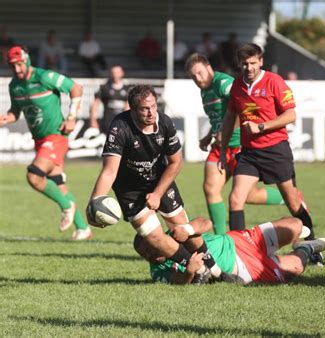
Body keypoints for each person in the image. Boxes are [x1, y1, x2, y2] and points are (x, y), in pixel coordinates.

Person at [86, 85, 223, 283]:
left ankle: (217, 271)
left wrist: (158, 193)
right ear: (132, 109)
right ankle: (199, 269)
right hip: (129, 190)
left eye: (153, 106)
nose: (151, 112)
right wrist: (95, 203)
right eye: (144, 108)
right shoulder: (120, 127)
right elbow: (109, 171)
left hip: (160, 181)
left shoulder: (165, 123)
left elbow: (176, 162)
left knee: (183, 229)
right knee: (152, 237)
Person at [219, 43, 321, 264]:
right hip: (249, 153)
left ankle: (313, 247)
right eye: (245, 63)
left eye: (253, 62)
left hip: (276, 150)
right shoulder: (237, 86)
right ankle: (239, 255)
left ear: (261, 61)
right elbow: (229, 120)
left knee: (293, 203)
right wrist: (222, 150)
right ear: (240, 64)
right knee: (236, 198)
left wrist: (261, 127)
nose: (249, 67)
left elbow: (290, 115)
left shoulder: (274, 81)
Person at [185, 53, 287, 234]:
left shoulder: (223, 83)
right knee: (210, 188)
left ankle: (287, 197)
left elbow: (243, 107)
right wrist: (210, 135)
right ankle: (221, 238)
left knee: (248, 195)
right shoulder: (204, 90)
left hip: (241, 145)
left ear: (209, 68)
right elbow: (219, 118)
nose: (197, 78)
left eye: (200, 73)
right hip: (221, 147)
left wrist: (224, 133)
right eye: (193, 76)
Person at [0, 45, 92, 240]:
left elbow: (76, 88)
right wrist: (5, 118)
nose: (16, 70)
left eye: (19, 65)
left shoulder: (44, 77)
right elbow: (15, 113)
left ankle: (67, 206)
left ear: (26, 61)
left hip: (56, 136)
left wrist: (72, 116)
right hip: (40, 140)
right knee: (58, 184)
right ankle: (83, 228)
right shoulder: (14, 86)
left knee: (34, 176)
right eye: (12, 66)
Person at [134, 216, 325, 285]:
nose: (150, 254)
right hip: (243, 269)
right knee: (296, 267)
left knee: (295, 225)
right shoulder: (157, 271)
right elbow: (176, 283)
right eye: (145, 254)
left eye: (150, 247)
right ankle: (306, 247)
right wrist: (189, 272)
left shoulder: (174, 233)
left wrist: (188, 229)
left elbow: (206, 223)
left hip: (239, 240)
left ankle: (293, 238)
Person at [89, 65, 130, 133]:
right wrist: (93, 120)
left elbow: (128, 106)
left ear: (122, 73)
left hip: (123, 122)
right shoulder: (105, 88)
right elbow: (95, 104)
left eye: (117, 72)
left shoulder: (127, 89)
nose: (115, 75)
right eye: (114, 73)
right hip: (108, 121)